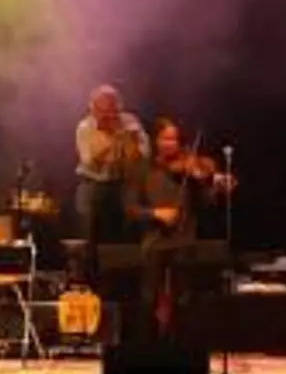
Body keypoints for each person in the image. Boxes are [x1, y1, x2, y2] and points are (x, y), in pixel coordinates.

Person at [123, 118, 228, 339]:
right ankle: (147, 345)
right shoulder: (141, 168)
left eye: (175, 140)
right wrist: (156, 213)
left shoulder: (190, 168)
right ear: (155, 140)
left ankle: (181, 346)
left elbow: (204, 203)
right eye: (166, 138)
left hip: (184, 238)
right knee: (148, 298)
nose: (172, 144)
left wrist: (215, 189)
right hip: (153, 240)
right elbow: (130, 208)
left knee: (184, 299)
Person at [75, 85, 149, 278]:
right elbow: (91, 163)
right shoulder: (85, 127)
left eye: (112, 109)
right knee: (92, 239)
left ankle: (122, 281)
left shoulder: (130, 122)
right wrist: (112, 138)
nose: (108, 115)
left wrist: (127, 138)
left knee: (124, 236)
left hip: (122, 184)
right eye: (102, 110)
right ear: (92, 109)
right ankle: (91, 281)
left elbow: (141, 158)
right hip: (93, 184)